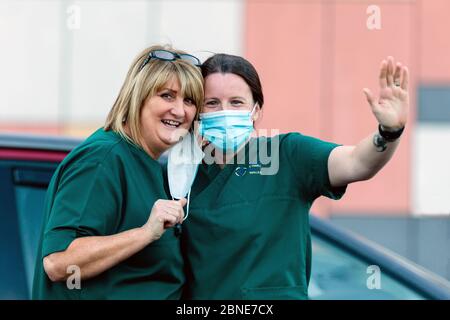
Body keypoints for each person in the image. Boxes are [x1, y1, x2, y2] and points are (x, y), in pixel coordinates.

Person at [182, 54, 409, 299]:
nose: (224, 112)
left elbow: (358, 163)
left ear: (256, 111)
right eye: (212, 103)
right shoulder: (182, 175)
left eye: (236, 102)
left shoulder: (287, 155)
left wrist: (389, 132)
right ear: (198, 112)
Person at [32, 45, 204, 299]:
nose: (179, 111)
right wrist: (146, 233)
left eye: (189, 101)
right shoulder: (103, 158)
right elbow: (59, 262)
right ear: (139, 97)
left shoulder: (152, 165)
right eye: (167, 96)